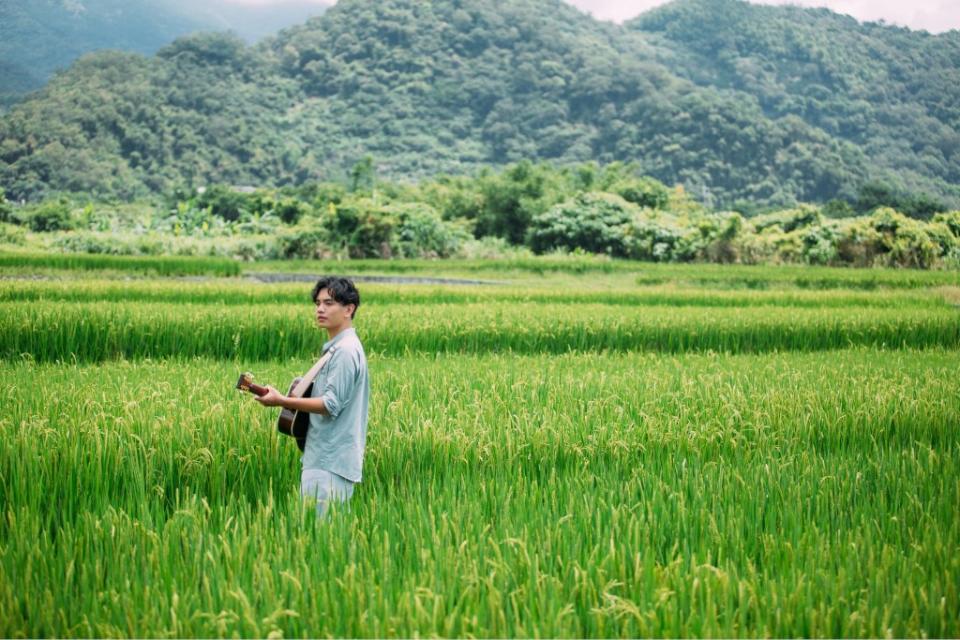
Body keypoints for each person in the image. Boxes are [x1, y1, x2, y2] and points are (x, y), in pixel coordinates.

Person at [254, 276, 370, 518]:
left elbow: (330, 404)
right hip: (322, 458)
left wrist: (282, 401)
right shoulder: (336, 349)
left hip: (330, 462)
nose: (320, 309)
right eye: (318, 303)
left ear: (349, 309)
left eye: (329, 303)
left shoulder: (346, 351)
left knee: (321, 541)